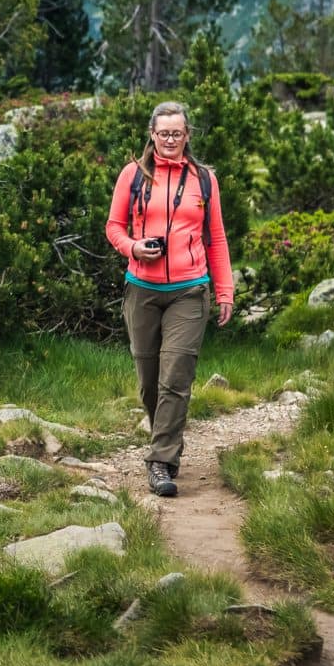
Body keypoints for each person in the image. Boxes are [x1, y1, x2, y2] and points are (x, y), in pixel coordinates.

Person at [105, 100, 234, 497]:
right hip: (142, 289)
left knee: (175, 378)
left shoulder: (204, 180)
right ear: (152, 135)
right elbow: (113, 227)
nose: (170, 140)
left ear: (187, 135)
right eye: (163, 133)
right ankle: (167, 436)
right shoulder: (133, 175)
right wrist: (133, 247)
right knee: (149, 383)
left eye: (177, 133)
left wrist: (224, 289)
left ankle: (161, 461)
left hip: (189, 291)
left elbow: (217, 239)